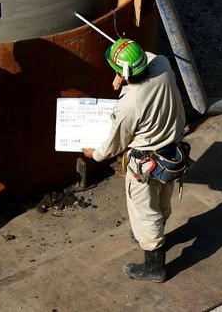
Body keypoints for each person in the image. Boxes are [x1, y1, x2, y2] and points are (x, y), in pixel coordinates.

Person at [81, 38, 188, 282]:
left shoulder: (129, 104)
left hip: (145, 163)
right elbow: (147, 57)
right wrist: (124, 75)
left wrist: (94, 154)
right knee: (162, 200)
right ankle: (154, 235)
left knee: (144, 211)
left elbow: (113, 143)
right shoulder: (163, 67)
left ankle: (154, 265)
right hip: (170, 154)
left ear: (125, 72)